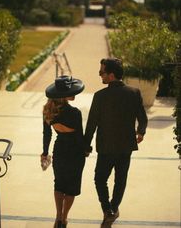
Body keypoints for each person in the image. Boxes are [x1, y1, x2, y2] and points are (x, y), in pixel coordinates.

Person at [84, 58, 148, 226]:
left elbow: (91, 124)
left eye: (101, 73)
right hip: (126, 147)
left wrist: (86, 146)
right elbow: (142, 118)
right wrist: (141, 132)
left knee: (99, 179)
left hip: (106, 148)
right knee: (121, 180)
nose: (100, 76)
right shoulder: (134, 93)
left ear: (111, 75)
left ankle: (108, 209)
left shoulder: (100, 96)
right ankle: (113, 208)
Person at [41, 75, 86, 228]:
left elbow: (47, 134)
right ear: (63, 95)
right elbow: (80, 137)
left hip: (59, 150)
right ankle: (65, 218)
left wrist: (45, 152)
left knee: (59, 185)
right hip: (75, 153)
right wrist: (86, 150)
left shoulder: (48, 111)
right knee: (71, 187)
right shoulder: (74, 113)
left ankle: (58, 217)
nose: (74, 93)